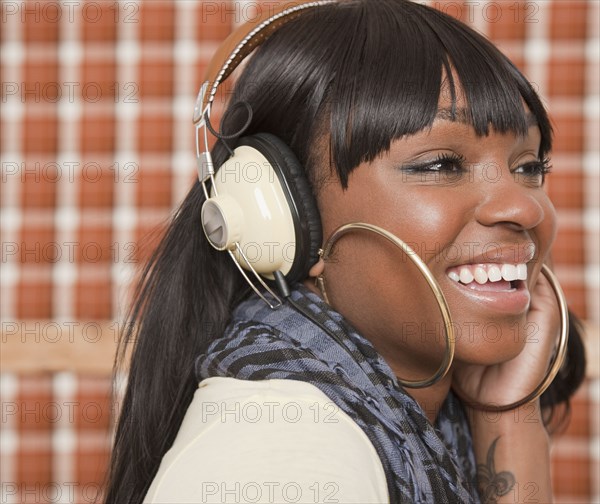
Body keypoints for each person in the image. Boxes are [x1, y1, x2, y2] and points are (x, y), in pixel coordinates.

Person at [105, 1, 586, 502]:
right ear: (286, 218)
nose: (524, 208)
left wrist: (506, 417)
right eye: (441, 164)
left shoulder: (392, 417)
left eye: (529, 167)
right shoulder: (282, 453)